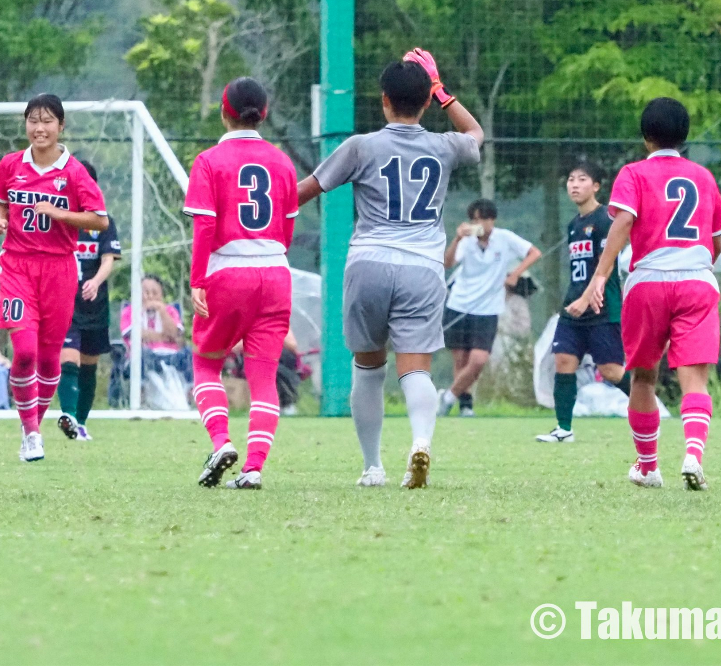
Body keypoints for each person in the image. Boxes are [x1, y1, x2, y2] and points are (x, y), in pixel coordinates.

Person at [298, 53, 483, 488]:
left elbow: (306, 191)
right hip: (422, 267)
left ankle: (372, 467)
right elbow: (475, 133)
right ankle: (420, 443)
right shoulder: (444, 145)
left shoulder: (361, 146)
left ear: (384, 101)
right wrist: (441, 88)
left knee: (368, 368)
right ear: (424, 103)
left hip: (369, 263)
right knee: (415, 369)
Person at [567, 97, 721, 491]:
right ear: (685, 135)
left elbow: (623, 221)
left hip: (649, 282)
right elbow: (717, 242)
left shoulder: (634, 173)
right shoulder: (703, 177)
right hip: (696, 281)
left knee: (643, 376)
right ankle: (693, 453)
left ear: (646, 138)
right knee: (695, 378)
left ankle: (648, 466)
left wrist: (599, 277)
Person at [184, 76, 299, 490]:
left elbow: (205, 225)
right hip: (275, 272)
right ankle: (253, 469)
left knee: (205, 363)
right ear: (264, 114)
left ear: (223, 110)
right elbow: (286, 229)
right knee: (264, 375)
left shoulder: (209, 161)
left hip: (228, 272)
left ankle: (220, 442)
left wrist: (198, 279)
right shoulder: (283, 161)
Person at [0, 94, 108, 462]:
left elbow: (99, 219)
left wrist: (61, 214)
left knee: (50, 357)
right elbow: (0, 201)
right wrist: (0, 219)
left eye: (47, 121)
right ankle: (32, 433)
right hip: (17, 266)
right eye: (33, 120)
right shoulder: (10, 164)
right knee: (24, 351)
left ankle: (32, 429)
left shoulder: (73, 171)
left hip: (59, 269)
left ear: (61, 126)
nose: (40, 128)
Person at [537, 160, 629, 443]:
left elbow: (607, 263)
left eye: (582, 180)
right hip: (573, 306)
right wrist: (576, 300)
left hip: (602, 307)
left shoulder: (606, 220)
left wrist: (586, 298)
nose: (574, 185)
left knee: (610, 370)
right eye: (571, 180)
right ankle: (564, 428)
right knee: (563, 359)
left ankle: (647, 406)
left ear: (596, 186)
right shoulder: (573, 225)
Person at [438, 199, 542, 418]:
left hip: (488, 309)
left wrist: (515, 274)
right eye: (474, 219)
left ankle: (448, 397)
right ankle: (465, 405)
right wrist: (457, 238)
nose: (479, 224)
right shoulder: (465, 241)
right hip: (459, 304)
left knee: (478, 360)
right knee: (461, 359)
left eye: (483, 219)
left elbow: (534, 252)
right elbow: (447, 263)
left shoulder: (504, 238)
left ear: (492, 220)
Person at [58, 159, 122, 440]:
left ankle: (80, 422)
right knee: (68, 361)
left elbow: (109, 259)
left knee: (89, 366)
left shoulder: (103, 221)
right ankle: (69, 417)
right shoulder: (60, 218)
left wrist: (95, 281)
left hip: (95, 306)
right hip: (65, 302)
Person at [120, 275, 193, 385]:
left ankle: (190, 394)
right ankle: (141, 394)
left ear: (161, 295)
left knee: (190, 353)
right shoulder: (129, 311)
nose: (150, 297)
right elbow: (135, 334)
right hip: (146, 355)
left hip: (172, 356)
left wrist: (162, 311)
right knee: (141, 353)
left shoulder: (170, 311)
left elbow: (174, 334)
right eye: (145, 292)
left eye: (155, 293)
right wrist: (164, 336)